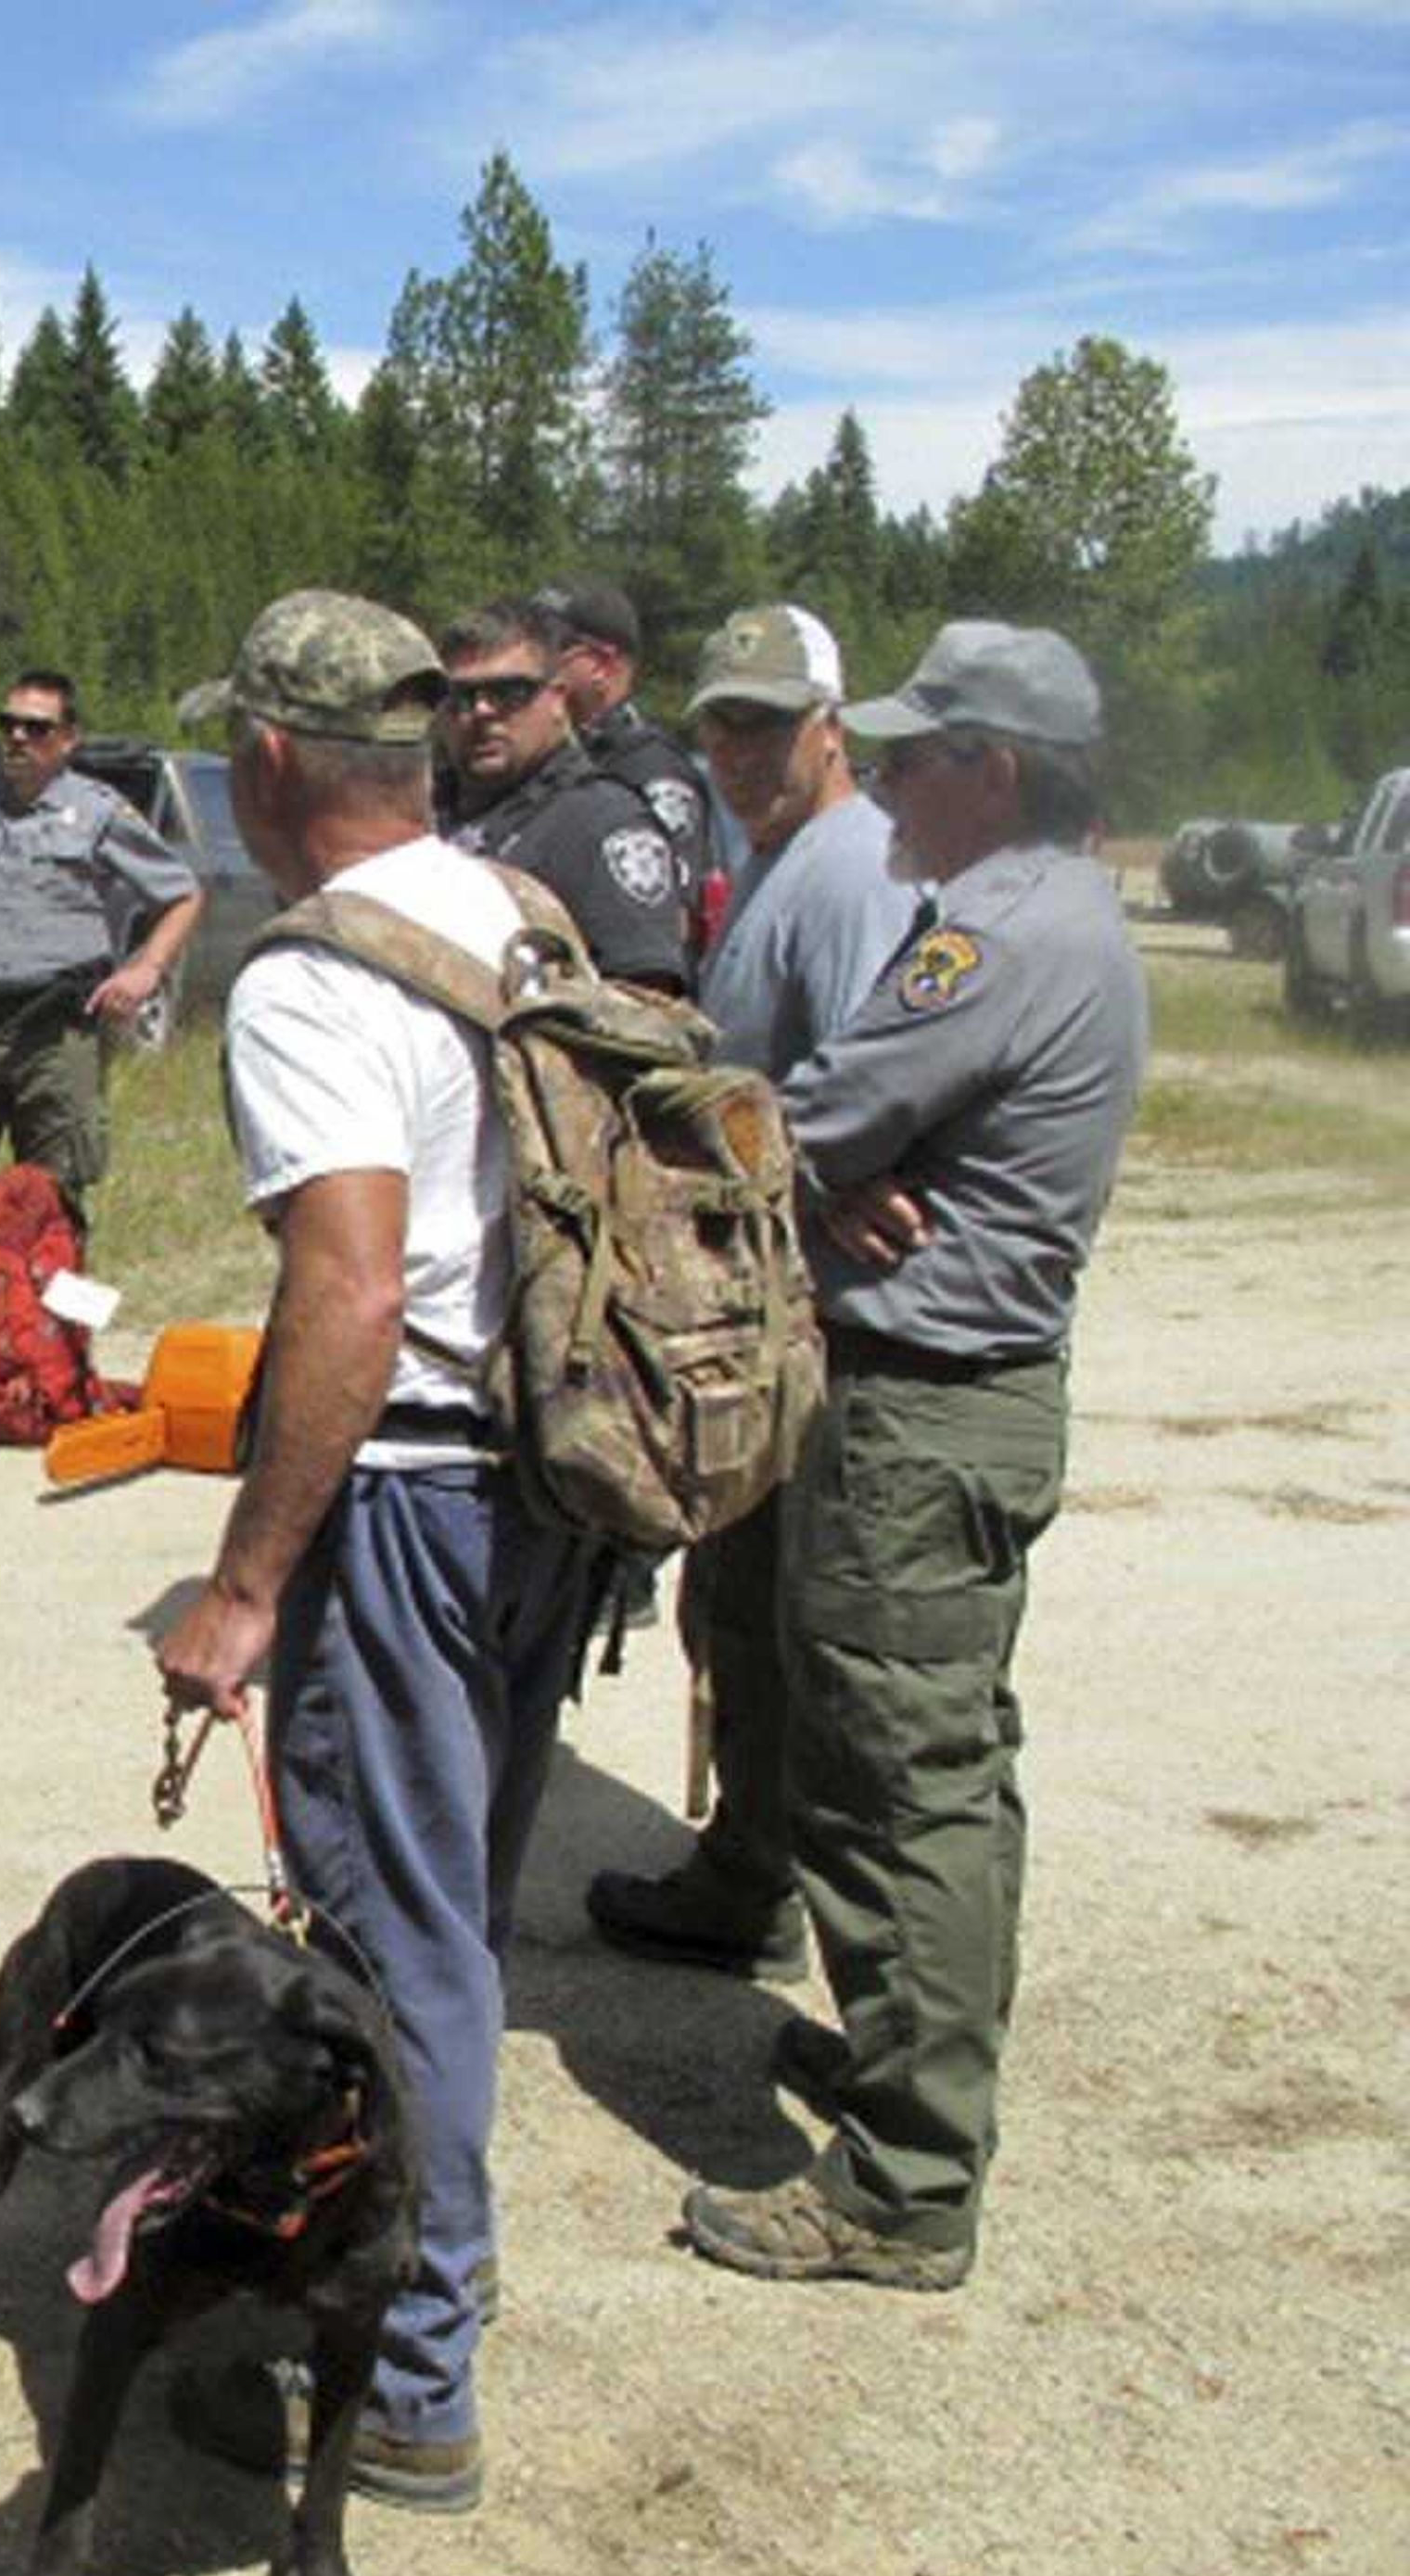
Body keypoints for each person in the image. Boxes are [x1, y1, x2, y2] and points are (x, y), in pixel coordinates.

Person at [156, 591, 601, 2510]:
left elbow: (345, 1297)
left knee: (395, 1943)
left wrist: (247, 1583)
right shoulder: (519, 913)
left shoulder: (312, 975)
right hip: (548, 1490)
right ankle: (375, 2281)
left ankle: (407, 2376)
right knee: (455, 1921)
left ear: (266, 762)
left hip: (414, 1500)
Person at [681, 622, 1147, 2291]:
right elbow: (831, 1135)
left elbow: (780, 1124)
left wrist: (790, 1157)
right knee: (945, 1768)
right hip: (963, 1398)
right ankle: (914, 2083)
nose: (880, 782)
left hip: (923, 1400)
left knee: (898, 1788)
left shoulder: (998, 940)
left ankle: (905, 2181)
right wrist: (821, 1165)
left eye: (911, 757)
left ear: (995, 772)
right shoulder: (1046, 915)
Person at [589, 603, 921, 1980]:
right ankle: (744, 1866)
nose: (736, 749)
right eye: (719, 720)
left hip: (818, 1319)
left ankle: (771, 1885)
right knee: (736, 1604)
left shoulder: (851, 872)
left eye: (767, 724)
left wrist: (831, 1174)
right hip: (763, 1307)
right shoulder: (780, 855)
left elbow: (880, 1070)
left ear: (831, 725)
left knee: (788, 1621)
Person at [0, 668, 202, 1226]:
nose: (18, 739)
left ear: (68, 738)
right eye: (9, 725)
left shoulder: (98, 812)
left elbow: (181, 894)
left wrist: (146, 969)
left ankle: (45, 1314)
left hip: (59, 1033)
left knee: (54, 1195)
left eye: (37, 728)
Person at [435, 601, 692, 994]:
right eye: (461, 696)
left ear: (557, 699)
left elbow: (648, 1013)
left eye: (508, 693)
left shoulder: (601, 825)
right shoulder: (418, 809)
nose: (482, 711)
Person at [528, 578, 718, 893]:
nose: (529, 660)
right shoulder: (539, 756)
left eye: (548, 646)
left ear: (603, 665)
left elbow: (669, 915)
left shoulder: (650, 768)